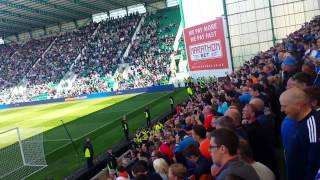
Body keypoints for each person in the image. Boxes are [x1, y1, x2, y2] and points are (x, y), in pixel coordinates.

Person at [279, 88, 320, 180]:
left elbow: (314, 163)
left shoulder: (312, 126)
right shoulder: (298, 121)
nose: (281, 110)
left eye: (284, 106)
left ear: (299, 106)